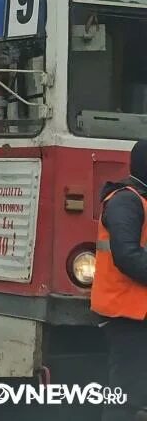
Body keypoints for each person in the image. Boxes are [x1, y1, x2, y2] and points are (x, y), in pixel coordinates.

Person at [92, 140, 147, 420]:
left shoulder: (140, 199)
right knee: (125, 396)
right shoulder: (126, 200)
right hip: (126, 313)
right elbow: (127, 255)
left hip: (138, 312)